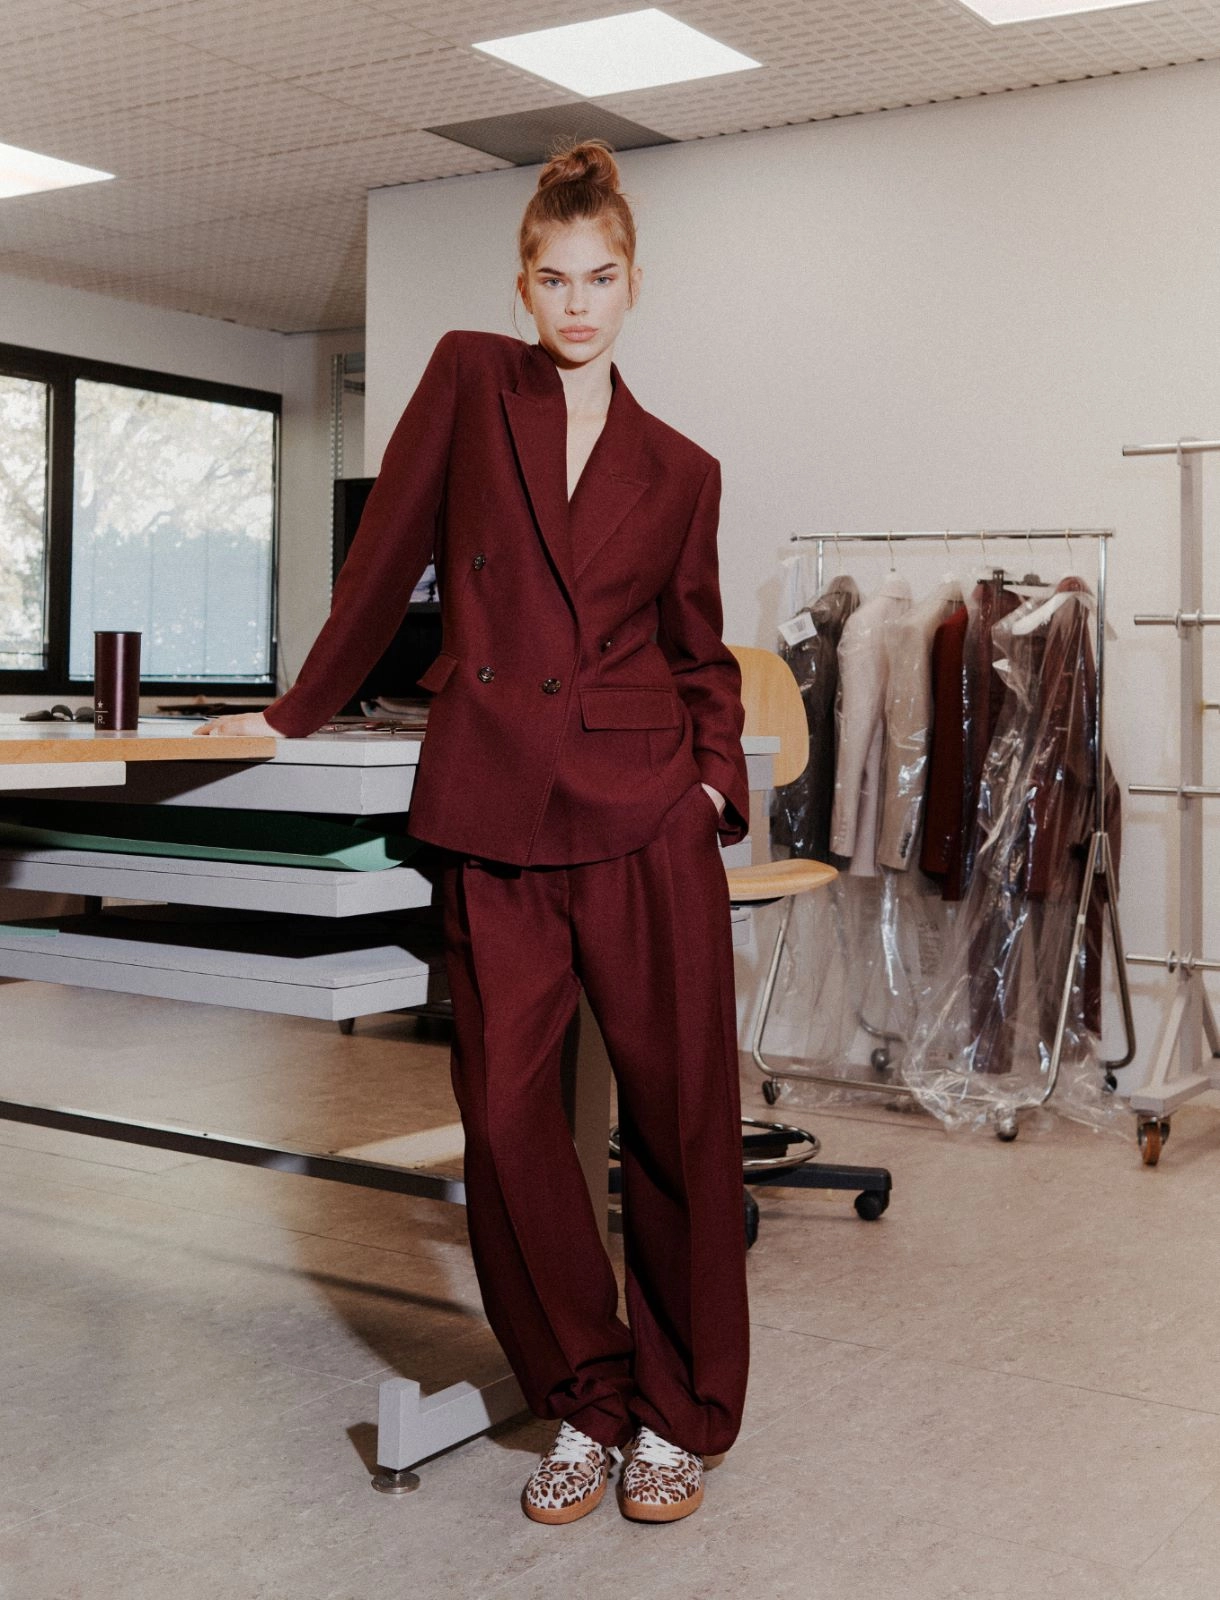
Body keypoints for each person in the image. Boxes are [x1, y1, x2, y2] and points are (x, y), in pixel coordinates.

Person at [194, 138, 750, 1525]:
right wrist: (295, 713)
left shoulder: (682, 469)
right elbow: (385, 557)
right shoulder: (468, 379)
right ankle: (585, 1398)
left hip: (643, 815)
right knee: (506, 1125)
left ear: (634, 284)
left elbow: (700, 654)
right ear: (522, 284)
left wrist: (709, 787)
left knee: (679, 1120)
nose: (578, 303)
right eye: (555, 279)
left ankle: (681, 1416)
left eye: (601, 279)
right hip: (496, 809)